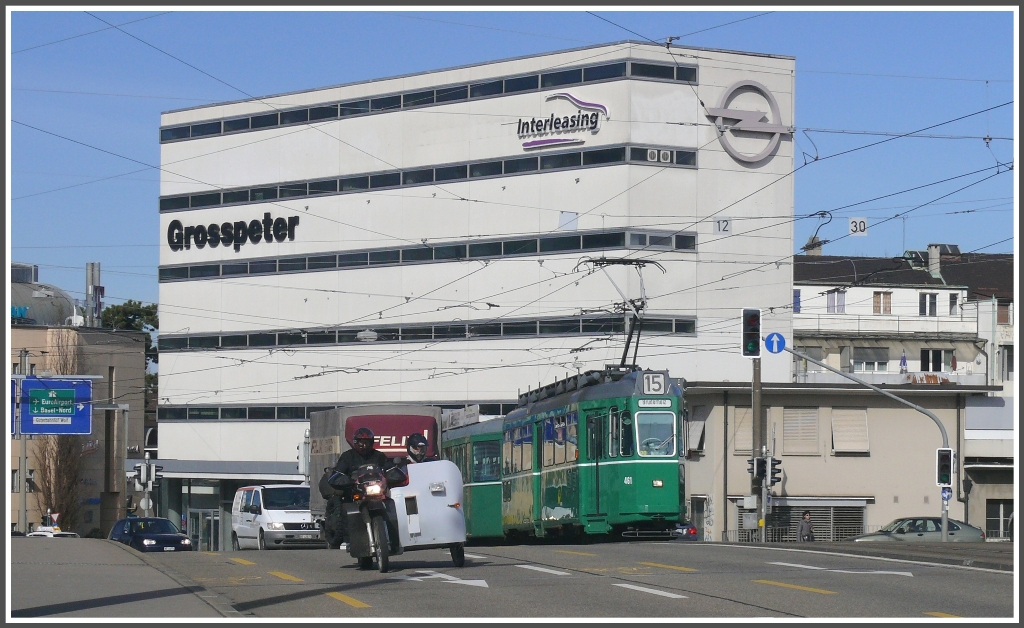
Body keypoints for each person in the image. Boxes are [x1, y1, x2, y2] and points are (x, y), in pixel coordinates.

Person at [325, 427, 391, 549]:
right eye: (361, 442)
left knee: (391, 504)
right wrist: (346, 480)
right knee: (347, 507)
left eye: (367, 442)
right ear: (355, 442)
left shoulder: (379, 456)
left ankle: (393, 536)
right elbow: (338, 473)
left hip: (376, 491)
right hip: (355, 491)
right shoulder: (347, 456)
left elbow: (389, 468)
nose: (364, 445)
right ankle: (348, 538)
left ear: (372, 442)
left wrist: (392, 474)